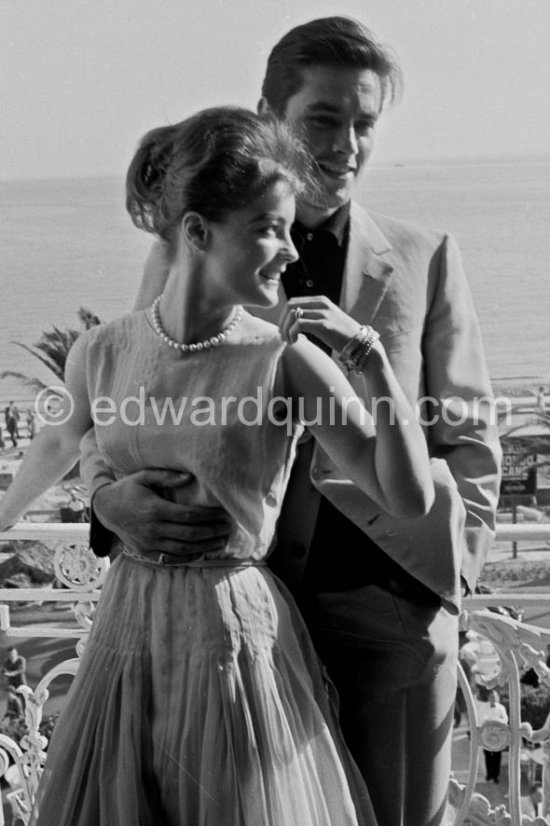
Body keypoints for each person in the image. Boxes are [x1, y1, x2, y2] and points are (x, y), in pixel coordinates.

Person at [82, 16, 502, 826]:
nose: (348, 144)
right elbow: (116, 404)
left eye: (365, 124)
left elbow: (471, 438)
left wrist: (442, 586)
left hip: (389, 618)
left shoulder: (426, 256)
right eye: (324, 119)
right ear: (270, 115)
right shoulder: (186, 254)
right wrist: (105, 503)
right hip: (232, 632)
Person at [0, 106, 435, 826]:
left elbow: (407, 495)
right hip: (125, 637)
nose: (292, 252)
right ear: (197, 232)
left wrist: (374, 362)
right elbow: (60, 443)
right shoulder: (101, 351)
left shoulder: (287, 361)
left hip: (231, 645)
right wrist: (44, 508)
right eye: (269, 227)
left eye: (292, 228)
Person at [481, 689, 508, 783]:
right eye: (491, 697)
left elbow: (505, 719)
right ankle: (489, 774)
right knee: (488, 755)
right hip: (487, 734)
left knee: (497, 756)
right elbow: (482, 719)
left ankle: (496, 775)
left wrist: (496, 722)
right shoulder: (484, 707)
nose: (493, 698)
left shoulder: (501, 708)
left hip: (498, 735)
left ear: (497, 698)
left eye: (494, 697)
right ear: (489, 698)